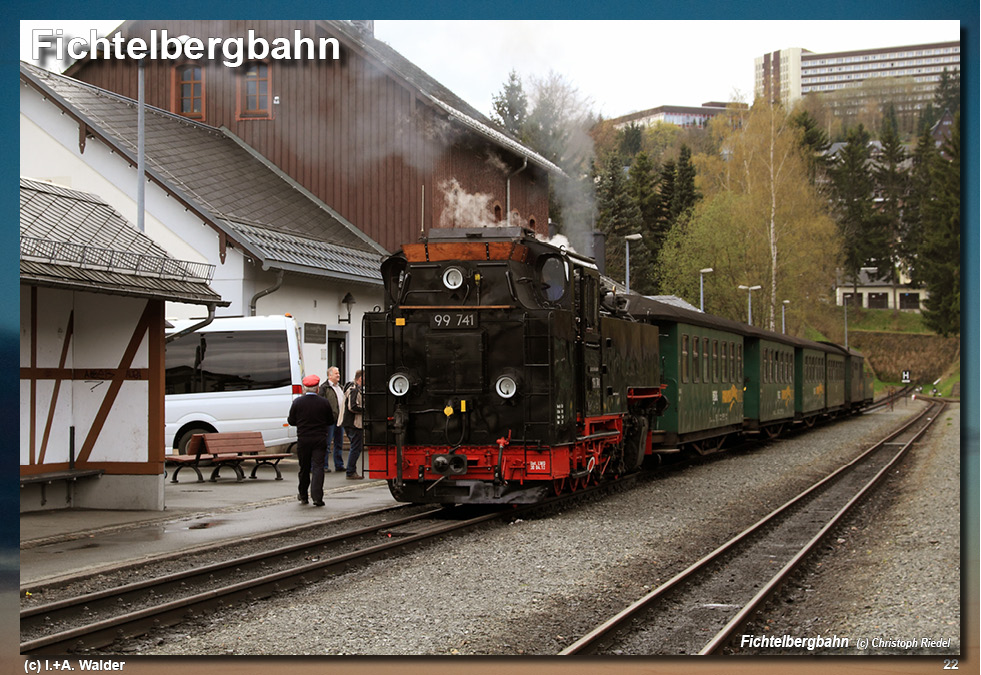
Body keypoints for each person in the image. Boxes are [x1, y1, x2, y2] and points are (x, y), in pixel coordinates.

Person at [287, 374, 333, 506]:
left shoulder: (297, 402)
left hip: (303, 439)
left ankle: (303, 495)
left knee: (304, 467)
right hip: (319, 438)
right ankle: (317, 496)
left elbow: (291, 420)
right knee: (318, 467)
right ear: (317, 388)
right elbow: (330, 420)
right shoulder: (324, 402)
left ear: (304, 388)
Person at [318, 366, 346, 472]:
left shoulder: (340, 387)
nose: (338, 375)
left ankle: (339, 465)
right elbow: (321, 403)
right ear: (329, 375)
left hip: (339, 419)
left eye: (338, 373)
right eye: (336, 373)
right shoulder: (324, 388)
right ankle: (324, 465)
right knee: (327, 444)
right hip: (329, 421)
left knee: (339, 443)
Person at [341, 370, 364, 479]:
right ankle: (350, 471)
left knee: (356, 447)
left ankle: (351, 470)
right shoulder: (354, 390)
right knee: (355, 447)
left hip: (350, 423)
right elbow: (353, 407)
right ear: (360, 378)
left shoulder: (353, 388)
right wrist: (365, 410)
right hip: (354, 423)